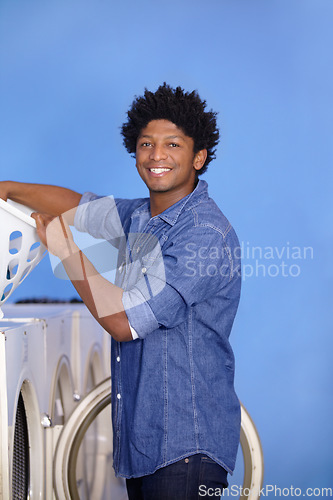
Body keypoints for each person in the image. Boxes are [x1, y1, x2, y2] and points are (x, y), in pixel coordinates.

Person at [0, 83, 241, 499]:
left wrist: (68, 252)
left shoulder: (203, 234)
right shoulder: (141, 218)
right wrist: (6, 189)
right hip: (144, 445)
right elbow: (77, 204)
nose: (156, 155)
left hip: (186, 448)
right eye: (146, 143)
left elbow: (125, 322)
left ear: (198, 157)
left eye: (173, 144)